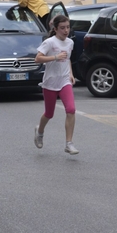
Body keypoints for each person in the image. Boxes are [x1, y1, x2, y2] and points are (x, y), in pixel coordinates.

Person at [34, 14, 79, 155]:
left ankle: (69, 143)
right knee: (49, 114)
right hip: (50, 82)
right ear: (55, 28)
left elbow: (67, 60)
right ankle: (39, 131)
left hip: (64, 80)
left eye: (68, 27)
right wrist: (55, 57)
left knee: (71, 109)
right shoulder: (49, 42)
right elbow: (38, 59)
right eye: (62, 28)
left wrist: (70, 74)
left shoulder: (70, 43)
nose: (66, 31)